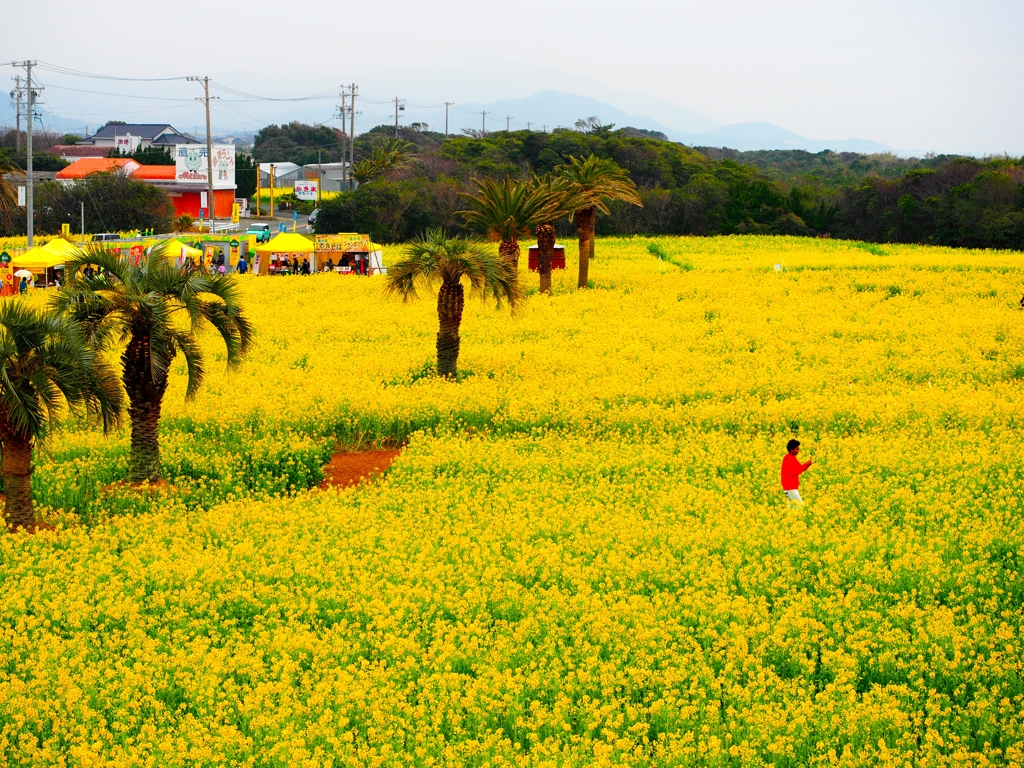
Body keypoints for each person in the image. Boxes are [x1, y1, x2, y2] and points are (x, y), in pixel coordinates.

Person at [781, 439, 813, 505]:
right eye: (797, 449)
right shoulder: (788, 458)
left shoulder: (792, 458)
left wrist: (807, 465)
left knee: (793, 511)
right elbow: (794, 472)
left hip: (792, 488)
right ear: (791, 449)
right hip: (790, 488)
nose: (798, 451)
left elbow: (800, 468)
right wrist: (806, 464)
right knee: (801, 507)